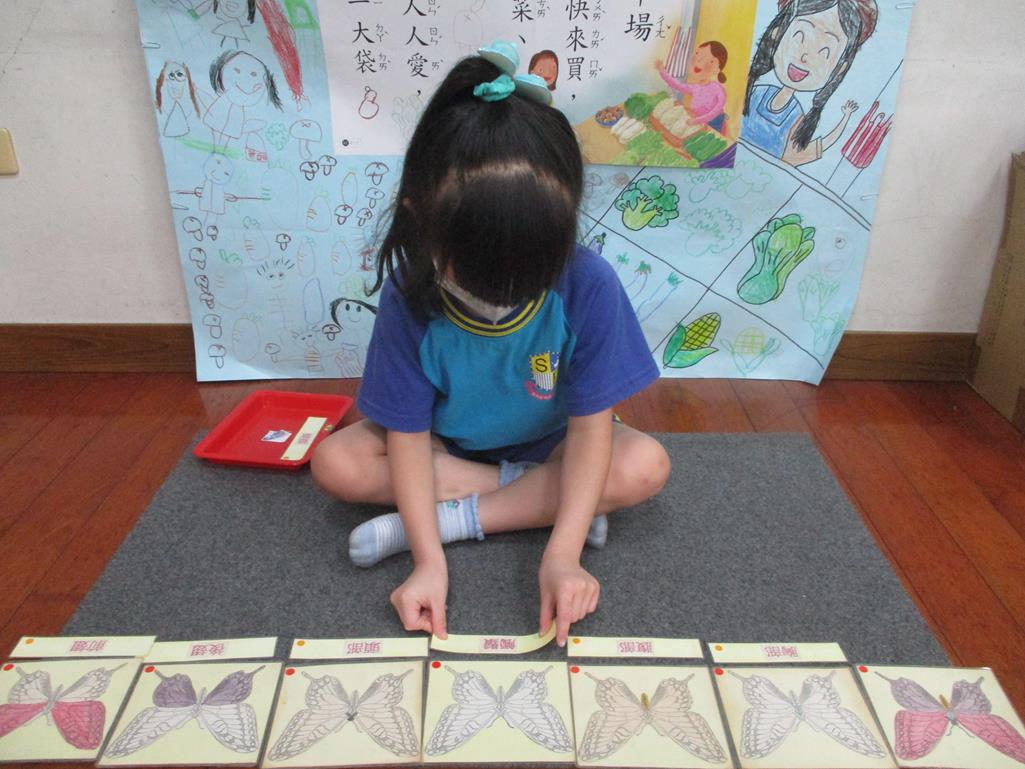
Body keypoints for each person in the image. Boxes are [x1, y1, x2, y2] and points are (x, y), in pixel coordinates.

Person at [311, 48, 670, 648]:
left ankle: (460, 519)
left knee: (644, 464)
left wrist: (563, 555)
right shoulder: (409, 293)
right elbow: (407, 436)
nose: (502, 297)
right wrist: (427, 564)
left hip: (553, 443)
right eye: (480, 275)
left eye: (527, 277)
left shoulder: (590, 282)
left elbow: (590, 431)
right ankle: (541, 495)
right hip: (446, 446)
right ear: (420, 219)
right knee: (335, 463)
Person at [741, 0, 877, 166]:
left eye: (824, 51)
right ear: (776, 34)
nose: (804, 57)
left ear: (840, 68)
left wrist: (846, 118)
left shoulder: (795, 118)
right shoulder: (755, 93)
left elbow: (799, 155)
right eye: (799, 36)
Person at [657, 41, 729, 133]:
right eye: (697, 54)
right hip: (696, 122)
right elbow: (677, 85)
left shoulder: (718, 89)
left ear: (717, 70)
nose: (699, 61)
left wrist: (697, 120)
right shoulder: (695, 87)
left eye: (710, 61)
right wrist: (662, 71)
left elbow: (715, 112)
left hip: (713, 124)